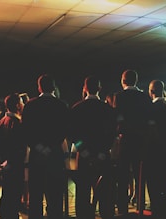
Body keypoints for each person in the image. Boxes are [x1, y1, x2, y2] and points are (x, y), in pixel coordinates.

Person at [22, 74, 69, 219]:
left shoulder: (30, 105)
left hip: (37, 155)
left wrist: (40, 147)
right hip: (55, 153)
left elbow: (26, 132)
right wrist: (51, 146)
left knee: (36, 194)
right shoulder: (61, 105)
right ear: (53, 87)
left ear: (39, 87)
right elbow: (64, 130)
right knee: (55, 193)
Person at [69, 75, 117, 219]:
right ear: (99, 89)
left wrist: (84, 152)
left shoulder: (76, 108)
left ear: (85, 88)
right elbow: (112, 134)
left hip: (83, 156)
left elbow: (73, 136)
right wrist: (102, 152)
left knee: (83, 190)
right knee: (105, 193)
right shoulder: (108, 109)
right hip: (103, 155)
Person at [112, 69, 153, 215]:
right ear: (136, 80)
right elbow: (150, 119)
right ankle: (140, 205)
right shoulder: (144, 97)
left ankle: (122, 208)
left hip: (125, 140)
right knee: (139, 175)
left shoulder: (119, 96)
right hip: (140, 140)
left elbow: (117, 118)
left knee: (123, 176)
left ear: (123, 81)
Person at [146, 79, 166, 218]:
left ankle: (157, 211)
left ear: (151, 91)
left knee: (154, 184)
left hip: (155, 152)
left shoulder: (152, 108)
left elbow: (152, 131)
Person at [0, 93, 27, 219]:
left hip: (4, 165)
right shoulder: (17, 123)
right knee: (14, 196)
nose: (23, 105)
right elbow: (19, 147)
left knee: (7, 194)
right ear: (17, 105)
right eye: (21, 102)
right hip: (15, 165)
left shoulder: (2, 122)